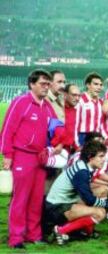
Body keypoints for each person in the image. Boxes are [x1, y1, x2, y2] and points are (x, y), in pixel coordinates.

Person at [0, 69, 57, 248]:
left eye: (48, 84)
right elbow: (8, 129)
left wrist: (55, 147)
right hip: (22, 156)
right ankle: (16, 238)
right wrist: (7, 155)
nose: (46, 87)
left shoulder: (47, 107)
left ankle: (34, 234)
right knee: (20, 198)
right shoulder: (21, 102)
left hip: (41, 158)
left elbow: (55, 131)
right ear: (32, 84)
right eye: (42, 84)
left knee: (35, 199)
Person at [44, 141, 108, 246]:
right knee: (100, 213)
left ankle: (86, 231)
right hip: (56, 207)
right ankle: (60, 230)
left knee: (103, 190)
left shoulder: (84, 166)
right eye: (101, 156)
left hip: (64, 200)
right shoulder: (82, 172)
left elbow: (86, 192)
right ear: (90, 157)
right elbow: (89, 199)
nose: (104, 159)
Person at [75, 72, 104, 147]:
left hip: (97, 137)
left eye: (100, 85)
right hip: (83, 136)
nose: (99, 87)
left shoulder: (101, 102)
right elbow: (75, 123)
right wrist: (76, 143)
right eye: (96, 84)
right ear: (88, 85)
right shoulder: (80, 100)